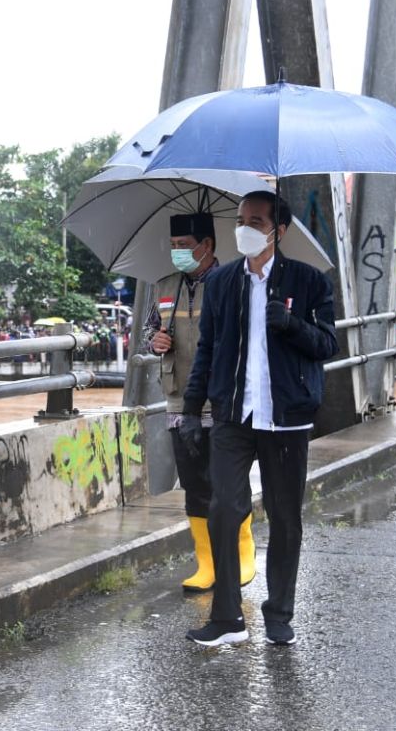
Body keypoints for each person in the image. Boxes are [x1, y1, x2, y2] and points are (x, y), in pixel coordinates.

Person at [181, 190, 338, 647]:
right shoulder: (224, 282)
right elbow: (208, 348)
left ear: (278, 230)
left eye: (255, 220)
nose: (244, 228)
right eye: (240, 219)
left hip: (286, 417)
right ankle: (228, 617)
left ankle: (279, 614)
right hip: (234, 414)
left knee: (286, 517)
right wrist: (192, 410)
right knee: (224, 510)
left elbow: (329, 345)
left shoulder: (310, 282)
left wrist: (290, 324)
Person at [143, 213, 256, 592]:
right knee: (194, 484)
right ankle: (206, 564)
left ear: (207, 246)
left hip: (223, 401)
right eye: (173, 247)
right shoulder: (164, 287)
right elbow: (147, 332)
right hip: (178, 402)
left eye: (184, 246)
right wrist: (153, 341)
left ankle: (242, 554)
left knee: (228, 483)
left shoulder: (234, 282)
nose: (177, 253)